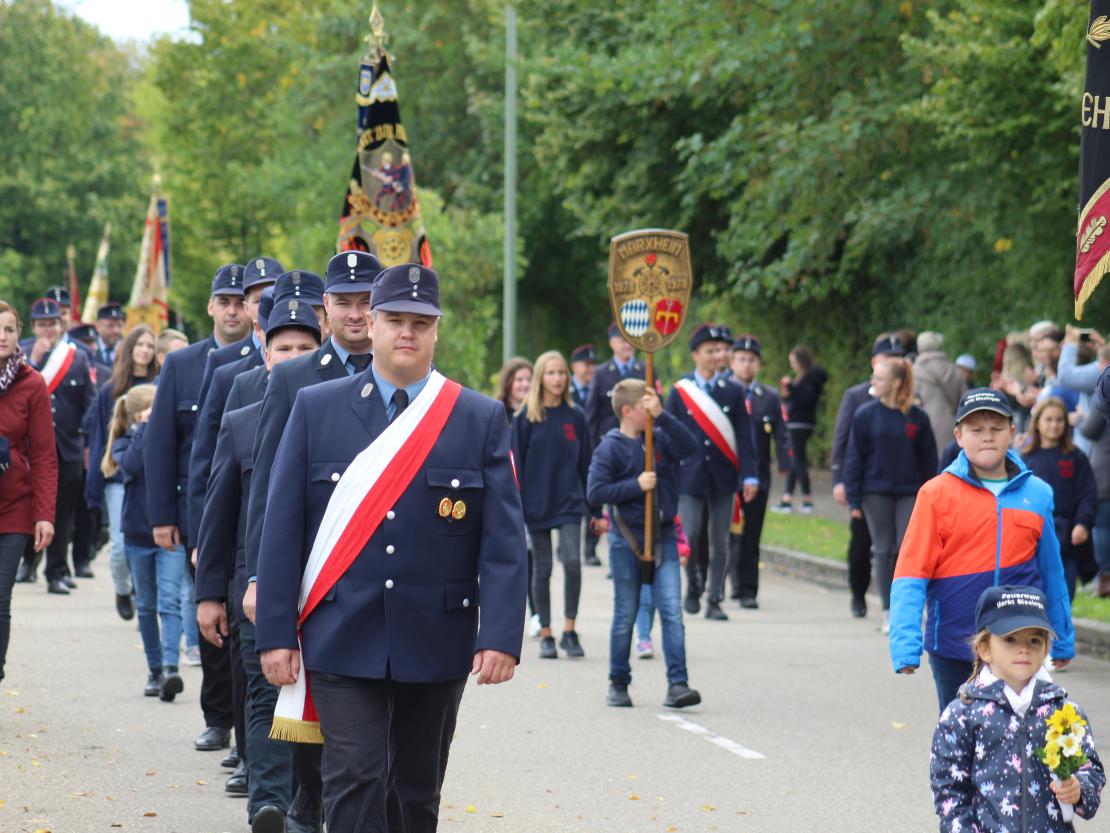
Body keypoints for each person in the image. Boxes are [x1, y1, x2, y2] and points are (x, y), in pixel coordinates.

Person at [255, 263, 528, 833]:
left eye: (421, 322)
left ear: (436, 331)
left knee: (415, 789)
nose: (408, 332)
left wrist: (500, 636)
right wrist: (276, 634)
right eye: (395, 319)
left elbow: (502, 541)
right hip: (340, 633)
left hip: (436, 636)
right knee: (353, 777)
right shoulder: (316, 408)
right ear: (371, 325)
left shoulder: (477, 417)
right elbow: (281, 528)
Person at [196, 293, 321, 830]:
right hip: (252, 584)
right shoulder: (243, 419)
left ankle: (304, 803)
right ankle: (268, 804)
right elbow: (220, 510)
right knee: (265, 694)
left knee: (313, 702)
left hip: (320, 585)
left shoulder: (344, 416)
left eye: (304, 347)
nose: (292, 356)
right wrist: (209, 593)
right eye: (282, 347)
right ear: (265, 354)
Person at [889, 388, 1075, 711]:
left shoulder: (1038, 493)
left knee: (1023, 741)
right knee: (961, 741)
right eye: (976, 430)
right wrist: (905, 645)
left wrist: (1062, 637)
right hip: (954, 646)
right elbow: (911, 571)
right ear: (958, 435)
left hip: (1021, 644)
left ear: (1013, 433)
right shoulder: (935, 495)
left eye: (996, 428)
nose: (987, 438)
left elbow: (1052, 572)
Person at [144, 264, 248, 754]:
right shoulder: (182, 364)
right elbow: (163, 445)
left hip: (248, 512)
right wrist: (164, 516)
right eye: (223, 300)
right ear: (210, 306)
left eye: (239, 300)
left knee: (240, 617)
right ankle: (218, 717)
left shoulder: (266, 358)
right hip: (198, 513)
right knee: (210, 615)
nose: (232, 309)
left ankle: (247, 726)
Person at [930, 585, 1104, 831]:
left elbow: (1090, 770)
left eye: (1034, 640)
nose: (1024, 648)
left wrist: (1078, 788)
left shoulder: (1064, 713)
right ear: (984, 649)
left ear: (1045, 648)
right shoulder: (962, 715)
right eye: (1010, 639)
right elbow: (949, 790)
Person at [587, 378, 700, 709]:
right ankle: (618, 681)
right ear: (627, 411)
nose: (651, 411)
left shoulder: (659, 438)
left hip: (662, 534)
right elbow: (595, 492)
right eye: (645, 407)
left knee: (671, 611)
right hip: (628, 539)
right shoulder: (610, 446)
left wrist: (663, 417)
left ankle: (678, 684)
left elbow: (689, 447)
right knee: (626, 611)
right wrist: (635, 485)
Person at [666, 324, 759, 621]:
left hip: (724, 475)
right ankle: (693, 584)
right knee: (690, 535)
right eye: (709, 351)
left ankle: (715, 597)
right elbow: (667, 433)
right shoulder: (681, 392)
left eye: (718, 351)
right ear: (695, 355)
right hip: (689, 475)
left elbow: (744, 436)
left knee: (720, 539)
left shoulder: (732, 391)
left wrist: (750, 474)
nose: (715, 356)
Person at [511, 350, 599, 659]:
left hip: (569, 502)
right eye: (551, 373)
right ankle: (546, 631)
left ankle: (570, 630)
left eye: (562, 373)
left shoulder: (575, 416)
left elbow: (587, 464)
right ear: (540, 378)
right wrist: (517, 506)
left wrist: (596, 508)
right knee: (543, 568)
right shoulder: (525, 418)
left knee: (573, 563)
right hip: (535, 504)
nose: (558, 379)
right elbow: (515, 466)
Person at [843, 357, 936, 633]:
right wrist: (853, 497)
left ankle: (909, 608)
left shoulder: (917, 417)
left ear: (896, 383)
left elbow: (929, 460)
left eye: (879, 379)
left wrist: (932, 495)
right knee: (883, 549)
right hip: (875, 492)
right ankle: (889, 611)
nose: (873, 383)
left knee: (908, 550)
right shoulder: (865, 414)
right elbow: (854, 457)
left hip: (910, 492)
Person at [107, 384, 187, 701]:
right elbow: (131, 466)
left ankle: (170, 668)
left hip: (171, 533)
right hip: (138, 534)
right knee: (146, 605)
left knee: (170, 601)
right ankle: (154, 669)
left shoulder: (173, 441)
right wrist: (143, 429)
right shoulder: (126, 442)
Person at [14, 298, 94, 592]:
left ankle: (57, 571)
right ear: (33, 326)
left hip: (67, 446)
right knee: (26, 509)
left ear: (62, 325)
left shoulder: (77, 357)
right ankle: (27, 562)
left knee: (62, 513)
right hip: (27, 448)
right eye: (42, 324)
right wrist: (33, 359)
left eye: (53, 323)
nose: (48, 329)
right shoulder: (19, 352)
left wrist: (84, 440)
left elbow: (90, 401)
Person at [85, 325, 159, 621]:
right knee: (118, 547)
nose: (144, 350)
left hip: (152, 477)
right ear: (129, 350)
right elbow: (100, 438)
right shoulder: (111, 389)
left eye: (149, 345)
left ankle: (146, 600)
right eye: (139, 345)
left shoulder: (163, 382)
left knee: (152, 545)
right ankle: (122, 588)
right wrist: (93, 489)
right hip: (119, 476)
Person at [830, 333, 906, 619]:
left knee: (896, 545)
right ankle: (858, 593)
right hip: (864, 481)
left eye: (898, 360)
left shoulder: (909, 398)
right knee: (862, 542)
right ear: (875, 363)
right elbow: (841, 439)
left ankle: (894, 601)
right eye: (888, 359)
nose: (894, 365)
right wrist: (839, 480)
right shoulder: (857, 396)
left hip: (897, 481)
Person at [0, 301, 56, 684]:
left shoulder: (32, 382)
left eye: (8, 329)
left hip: (15, 507)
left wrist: (44, 514)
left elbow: (44, 454)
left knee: (0, 597)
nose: (1, 337)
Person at [728, 335, 792, 608]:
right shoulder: (723, 392)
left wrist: (785, 463)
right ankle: (723, 581)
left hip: (759, 475)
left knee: (751, 535)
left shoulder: (769, 397)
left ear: (759, 365)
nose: (746, 365)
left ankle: (748, 590)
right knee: (727, 533)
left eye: (751, 360)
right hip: (728, 475)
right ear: (732, 362)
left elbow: (781, 432)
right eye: (741, 359)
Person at [1022, 397, 1097, 601]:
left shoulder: (1076, 457)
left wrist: (1082, 523)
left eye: (1059, 420)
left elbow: (1088, 494)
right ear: (1037, 423)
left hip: (1067, 540)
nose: (1054, 425)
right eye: (1049, 419)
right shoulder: (1026, 459)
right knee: (1036, 599)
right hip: (1033, 540)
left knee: (1063, 596)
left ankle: (1062, 634)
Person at [774, 344, 825, 513]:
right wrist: (787, 393)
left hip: (800, 423)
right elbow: (795, 399)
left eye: (794, 361)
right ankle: (788, 497)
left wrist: (792, 388)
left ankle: (805, 498)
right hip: (795, 421)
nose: (792, 365)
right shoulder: (802, 378)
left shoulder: (811, 378)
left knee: (798, 459)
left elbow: (806, 400)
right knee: (795, 459)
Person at [569, 344, 602, 567]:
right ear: (574, 366)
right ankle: (567, 543)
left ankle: (590, 548)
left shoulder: (599, 389)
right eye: (586, 364)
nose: (590, 369)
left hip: (595, 451)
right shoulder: (565, 391)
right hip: (570, 451)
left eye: (593, 364)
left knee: (593, 501)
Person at [584, 323, 645, 447]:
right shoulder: (601, 373)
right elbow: (592, 415)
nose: (628, 345)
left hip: (641, 443)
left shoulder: (646, 370)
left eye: (631, 340)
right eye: (623, 341)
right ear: (611, 343)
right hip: (610, 444)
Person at [913, 331, 964, 458]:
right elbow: (964, 401)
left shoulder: (914, 371)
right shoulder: (954, 370)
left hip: (922, 425)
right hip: (951, 427)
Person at [495, 356, 532, 421]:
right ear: (507, 382)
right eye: (519, 379)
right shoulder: (497, 413)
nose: (526, 384)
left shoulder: (538, 414)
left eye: (529, 379)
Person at [94, 302, 125, 367]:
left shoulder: (127, 349)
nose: (116, 331)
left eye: (119, 325)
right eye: (110, 326)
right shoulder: (89, 349)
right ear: (98, 327)